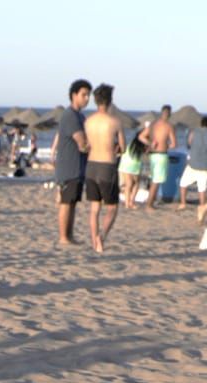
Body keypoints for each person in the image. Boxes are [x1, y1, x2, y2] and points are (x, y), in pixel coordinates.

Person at [82, 84, 123, 254]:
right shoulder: (115, 122)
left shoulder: (88, 121)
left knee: (94, 208)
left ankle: (94, 242)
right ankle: (102, 236)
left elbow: (86, 145)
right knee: (112, 208)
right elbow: (123, 146)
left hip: (91, 166)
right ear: (110, 101)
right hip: (108, 166)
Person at [53, 79, 92, 247]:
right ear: (74, 95)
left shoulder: (80, 116)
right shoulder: (70, 116)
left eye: (88, 95)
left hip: (77, 168)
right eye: (84, 95)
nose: (87, 98)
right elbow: (82, 144)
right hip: (69, 167)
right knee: (66, 203)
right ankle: (63, 237)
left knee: (73, 203)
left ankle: (69, 235)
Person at [178, 116, 207, 209]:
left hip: (193, 163)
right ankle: (202, 206)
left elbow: (189, 143)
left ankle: (183, 203)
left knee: (183, 183)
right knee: (202, 188)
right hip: (205, 164)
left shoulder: (194, 132)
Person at [143, 106, 176, 208]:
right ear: (169, 114)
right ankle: (149, 204)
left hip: (152, 154)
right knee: (156, 181)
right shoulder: (168, 126)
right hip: (161, 154)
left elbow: (141, 136)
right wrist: (166, 145)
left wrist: (150, 143)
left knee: (154, 179)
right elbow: (174, 144)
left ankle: (150, 202)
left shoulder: (153, 124)